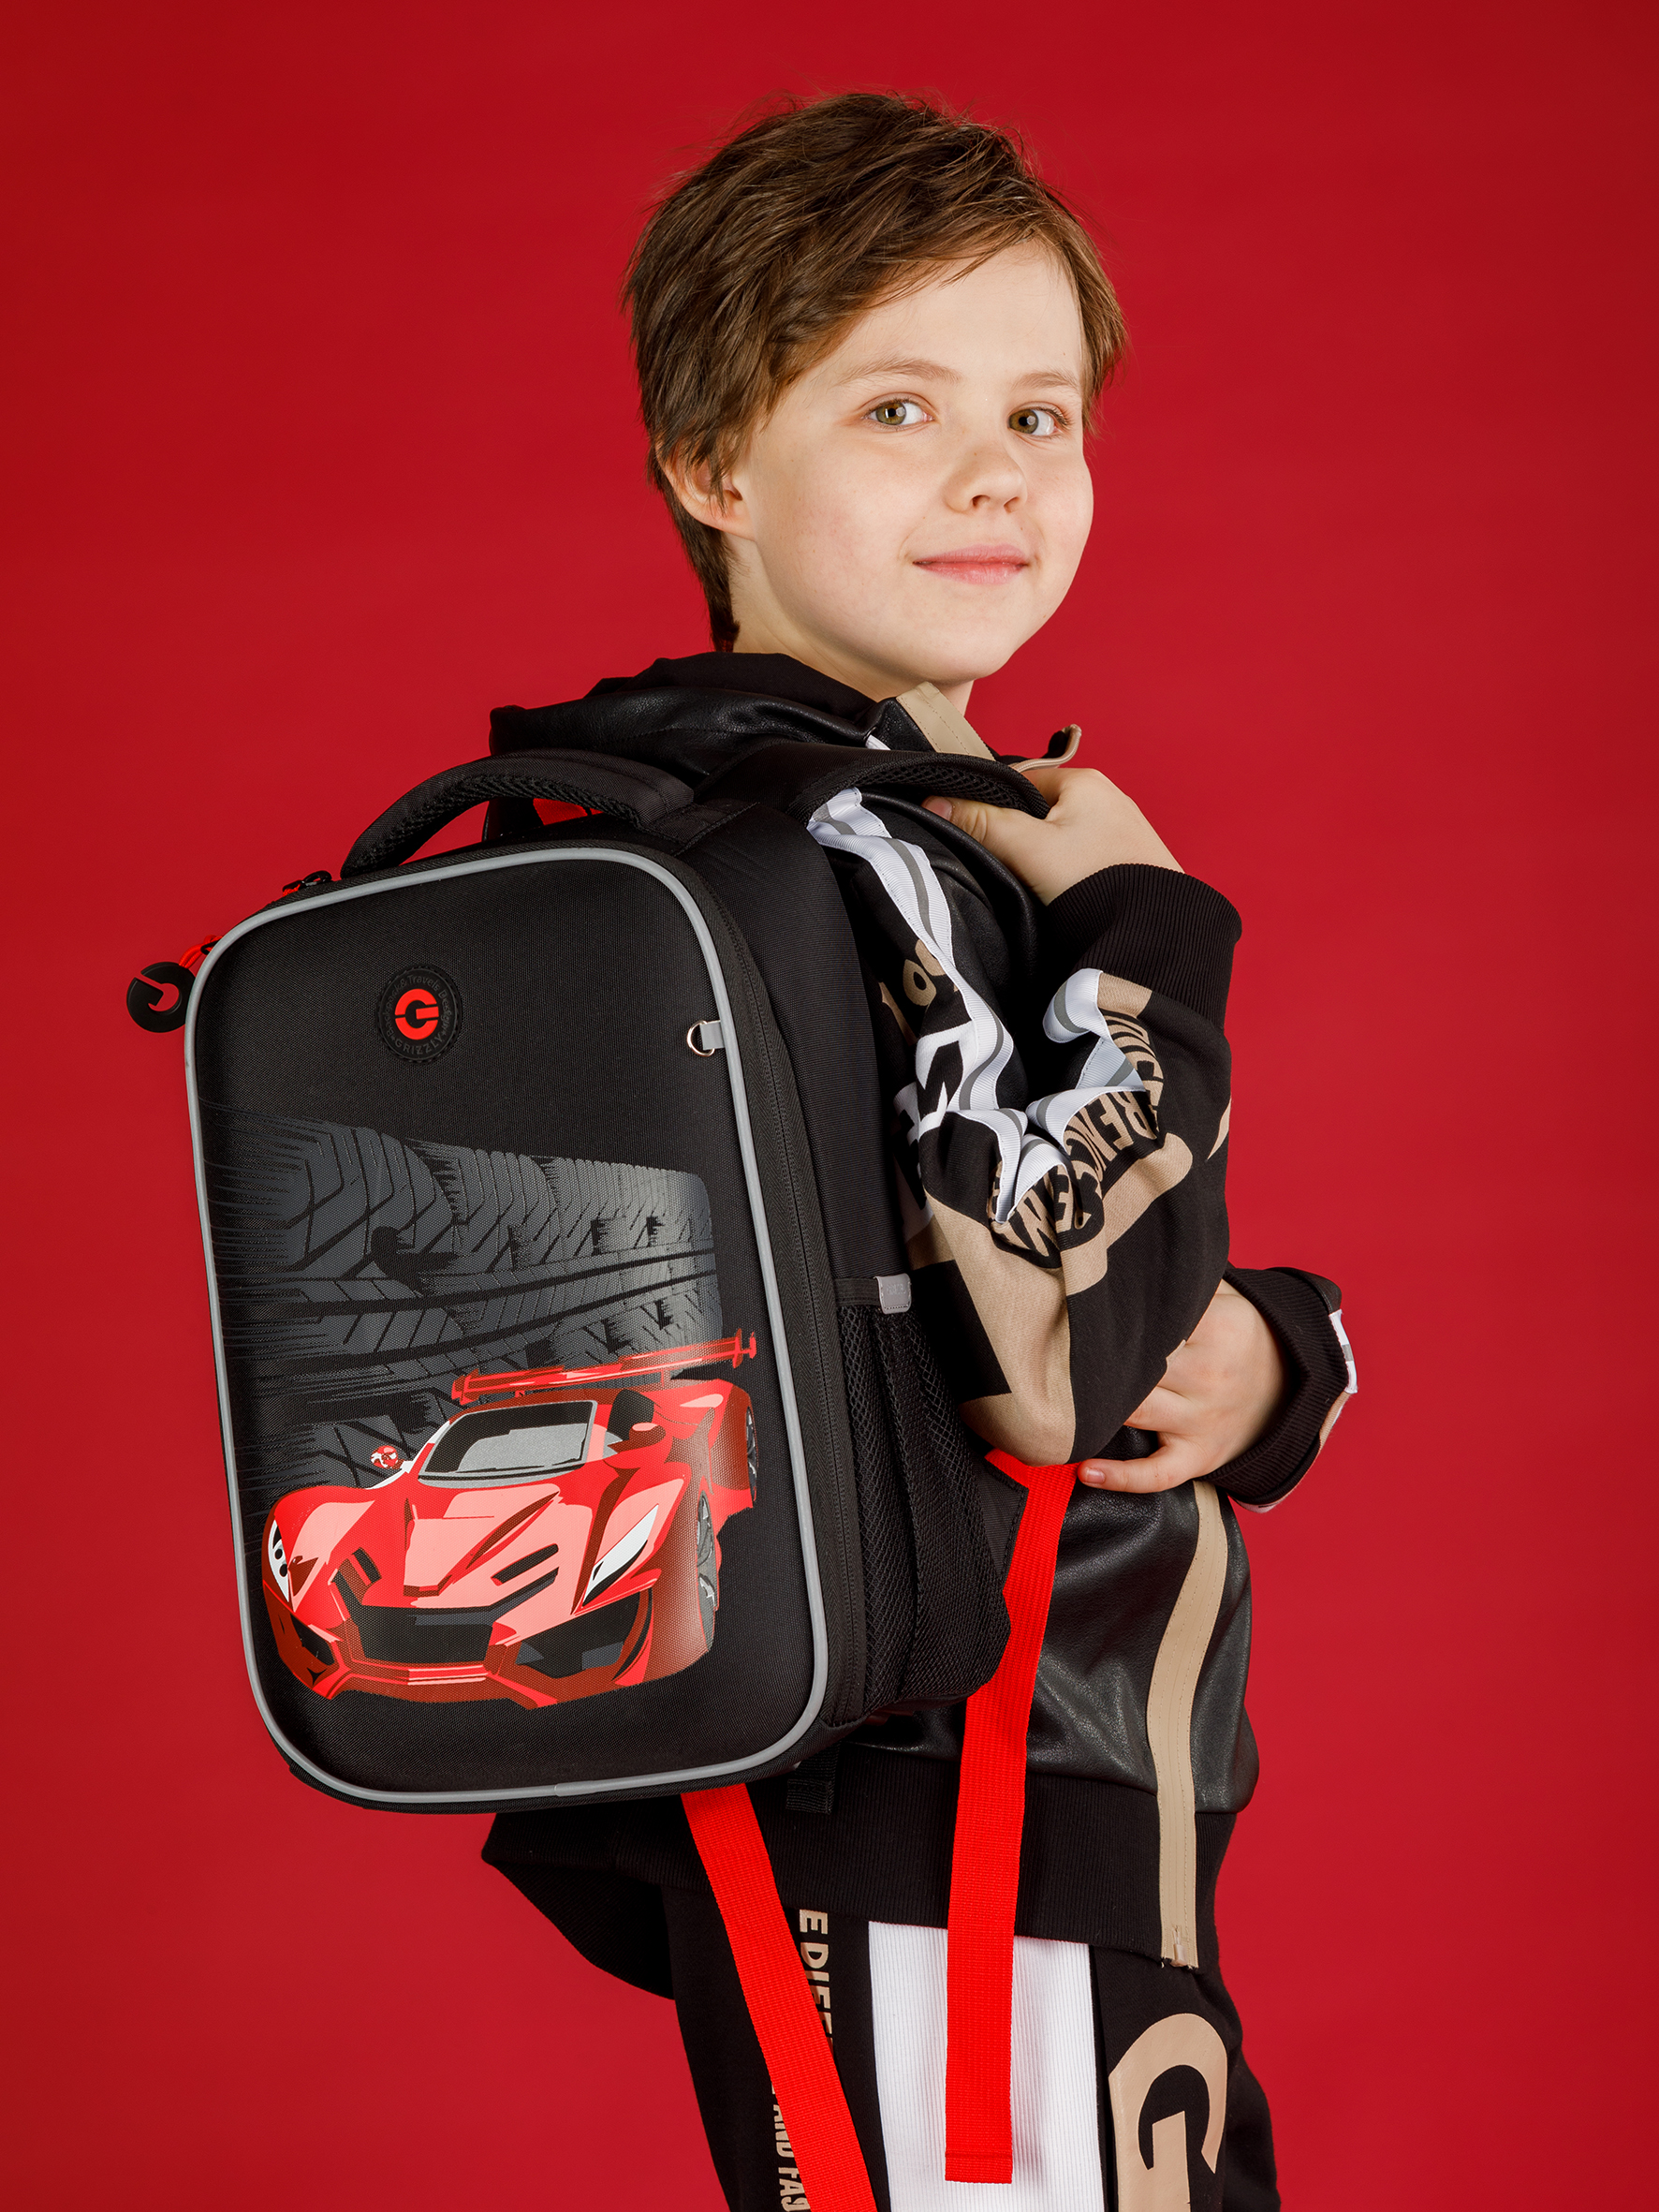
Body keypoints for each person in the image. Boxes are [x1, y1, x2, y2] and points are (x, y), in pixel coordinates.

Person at [484, 93, 1356, 2211]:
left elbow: (959, 1271)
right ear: (714, 466)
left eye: (1041, 414)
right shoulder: (830, 849)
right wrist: (1154, 931)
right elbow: (1044, 1364)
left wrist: (1273, 1353)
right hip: (954, 1810)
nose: (996, 474)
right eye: (898, 407)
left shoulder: (844, 819)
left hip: (963, 1802)